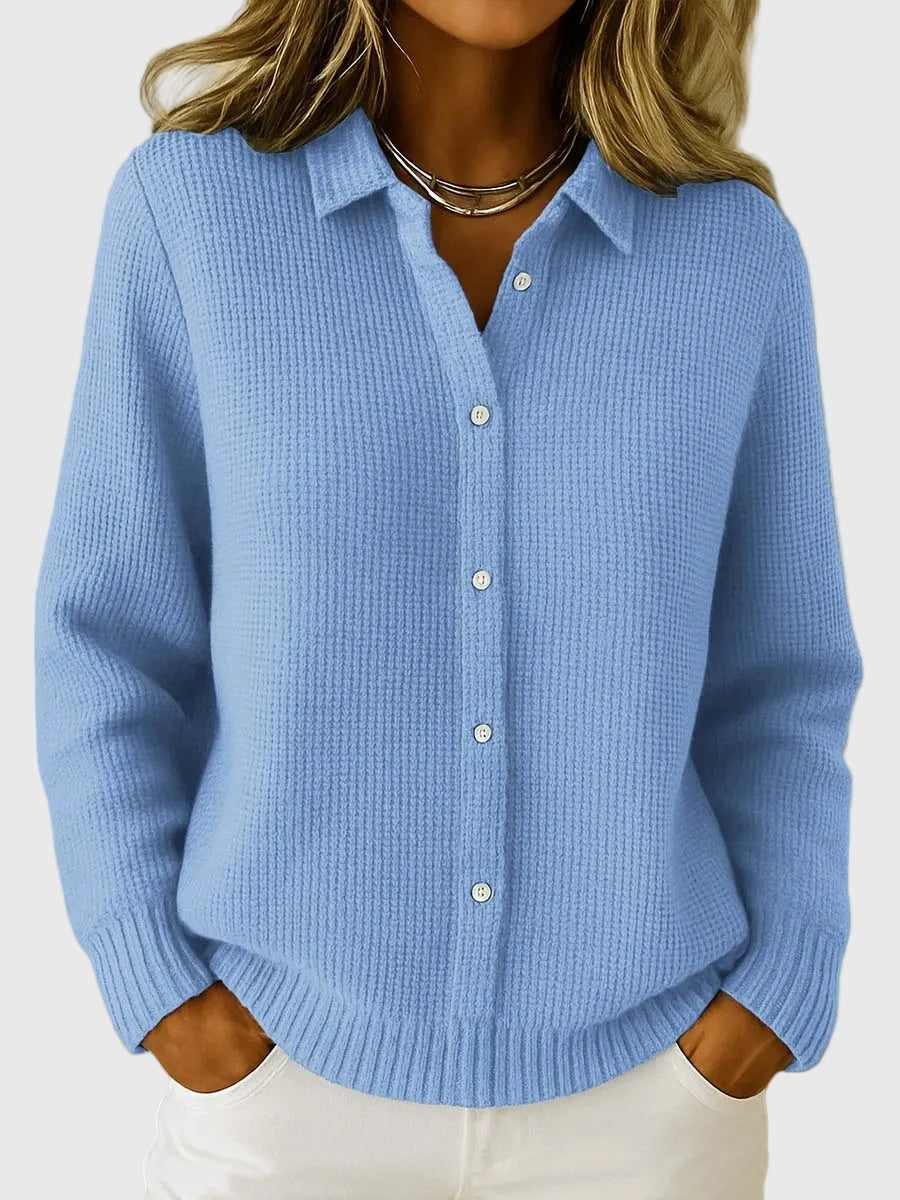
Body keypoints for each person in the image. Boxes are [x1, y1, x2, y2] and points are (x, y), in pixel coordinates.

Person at [33, 2, 863, 1197]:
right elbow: (107, 637)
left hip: (656, 1108)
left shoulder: (735, 257)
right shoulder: (192, 214)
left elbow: (780, 679)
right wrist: (162, 990)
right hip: (278, 1100)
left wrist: (772, 998)